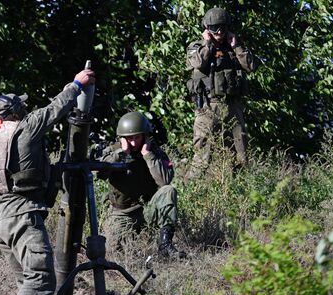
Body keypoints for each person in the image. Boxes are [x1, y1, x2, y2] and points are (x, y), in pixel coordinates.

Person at [0, 68, 95, 295]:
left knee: (27, 283)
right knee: (42, 279)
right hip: (22, 216)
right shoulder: (25, 127)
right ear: (16, 111)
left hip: (0, 219)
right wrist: (76, 85)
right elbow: (55, 109)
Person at [96, 111, 184, 259]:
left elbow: (164, 181)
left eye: (137, 137)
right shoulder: (113, 151)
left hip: (148, 209)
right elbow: (100, 172)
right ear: (122, 138)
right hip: (122, 214)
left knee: (169, 190)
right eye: (129, 138)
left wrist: (148, 155)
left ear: (145, 135)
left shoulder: (153, 151)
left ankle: (165, 245)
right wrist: (121, 153)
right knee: (114, 254)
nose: (134, 142)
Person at [185, 7, 256, 180]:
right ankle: (190, 194)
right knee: (202, 155)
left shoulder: (233, 47)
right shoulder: (196, 46)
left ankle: (239, 194)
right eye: (214, 27)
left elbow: (251, 66)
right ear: (206, 28)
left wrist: (236, 46)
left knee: (241, 154)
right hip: (208, 107)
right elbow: (198, 62)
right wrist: (208, 43)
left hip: (233, 107)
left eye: (222, 27)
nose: (219, 31)